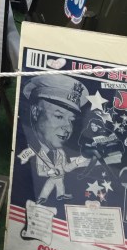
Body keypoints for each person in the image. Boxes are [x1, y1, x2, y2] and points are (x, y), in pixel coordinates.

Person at [22, 75, 89, 205]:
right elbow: (40, 171)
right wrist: (51, 171)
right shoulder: (27, 148)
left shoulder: (61, 152)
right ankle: (45, 197)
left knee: (57, 183)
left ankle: (58, 195)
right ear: (35, 112)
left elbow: (66, 168)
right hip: (31, 196)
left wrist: (79, 161)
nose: (68, 128)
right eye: (59, 116)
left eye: (71, 120)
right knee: (53, 182)